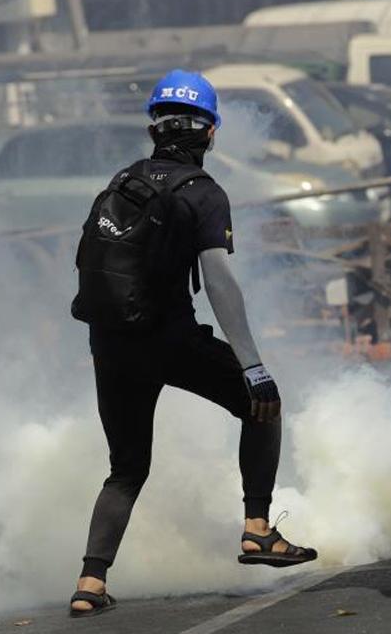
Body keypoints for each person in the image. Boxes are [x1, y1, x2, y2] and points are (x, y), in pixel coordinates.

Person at [67, 70, 317, 618]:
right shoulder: (203, 193)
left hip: (109, 343)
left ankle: (90, 581)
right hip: (167, 338)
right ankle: (257, 528)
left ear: (155, 127)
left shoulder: (125, 178)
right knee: (263, 404)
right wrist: (252, 365)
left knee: (127, 467)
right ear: (210, 133)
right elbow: (220, 282)